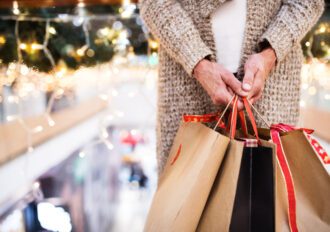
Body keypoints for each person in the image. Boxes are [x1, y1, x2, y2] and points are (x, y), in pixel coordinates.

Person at [139, 0, 324, 175]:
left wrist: (270, 54)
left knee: (266, 194)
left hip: (273, 82)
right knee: (183, 197)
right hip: (185, 82)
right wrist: (197, 61)